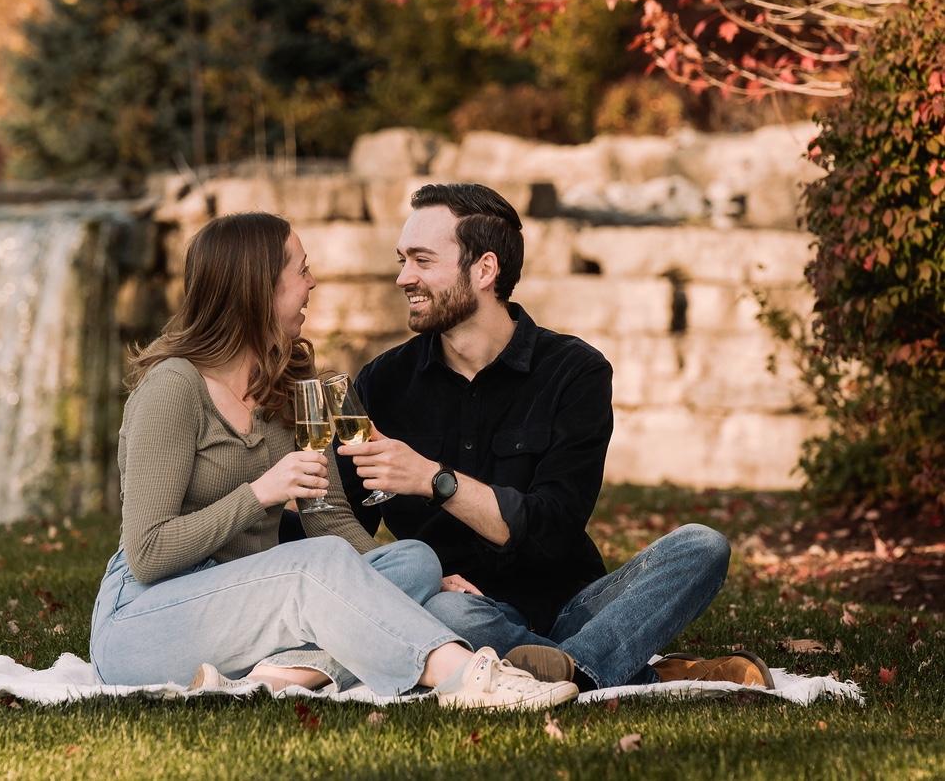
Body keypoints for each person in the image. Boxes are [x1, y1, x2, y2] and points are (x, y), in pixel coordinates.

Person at [89, 211, 579, 711]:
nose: (312, 283)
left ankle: (285, 673)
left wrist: (419, 582)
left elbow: (330, 520)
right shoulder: (174, 387)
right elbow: (148, 553)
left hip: (255, 610)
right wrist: (260, 494)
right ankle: (464, 676)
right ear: (259, 287)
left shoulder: (294, 384)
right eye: (301, 270)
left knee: (414, 560)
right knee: (318, 565)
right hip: (149, 620)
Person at [336, 183, 774, 691]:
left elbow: (553, 529)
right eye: (403, 260)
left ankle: (563, 665)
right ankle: (612, 669)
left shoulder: (575, 372)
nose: (403, 277)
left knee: (702, 546)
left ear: (484, 270)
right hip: (462, 608)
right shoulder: (382, 383)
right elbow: (343, 524)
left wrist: (434, 480)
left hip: (574, 607)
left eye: (422, 260)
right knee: (447, 614)